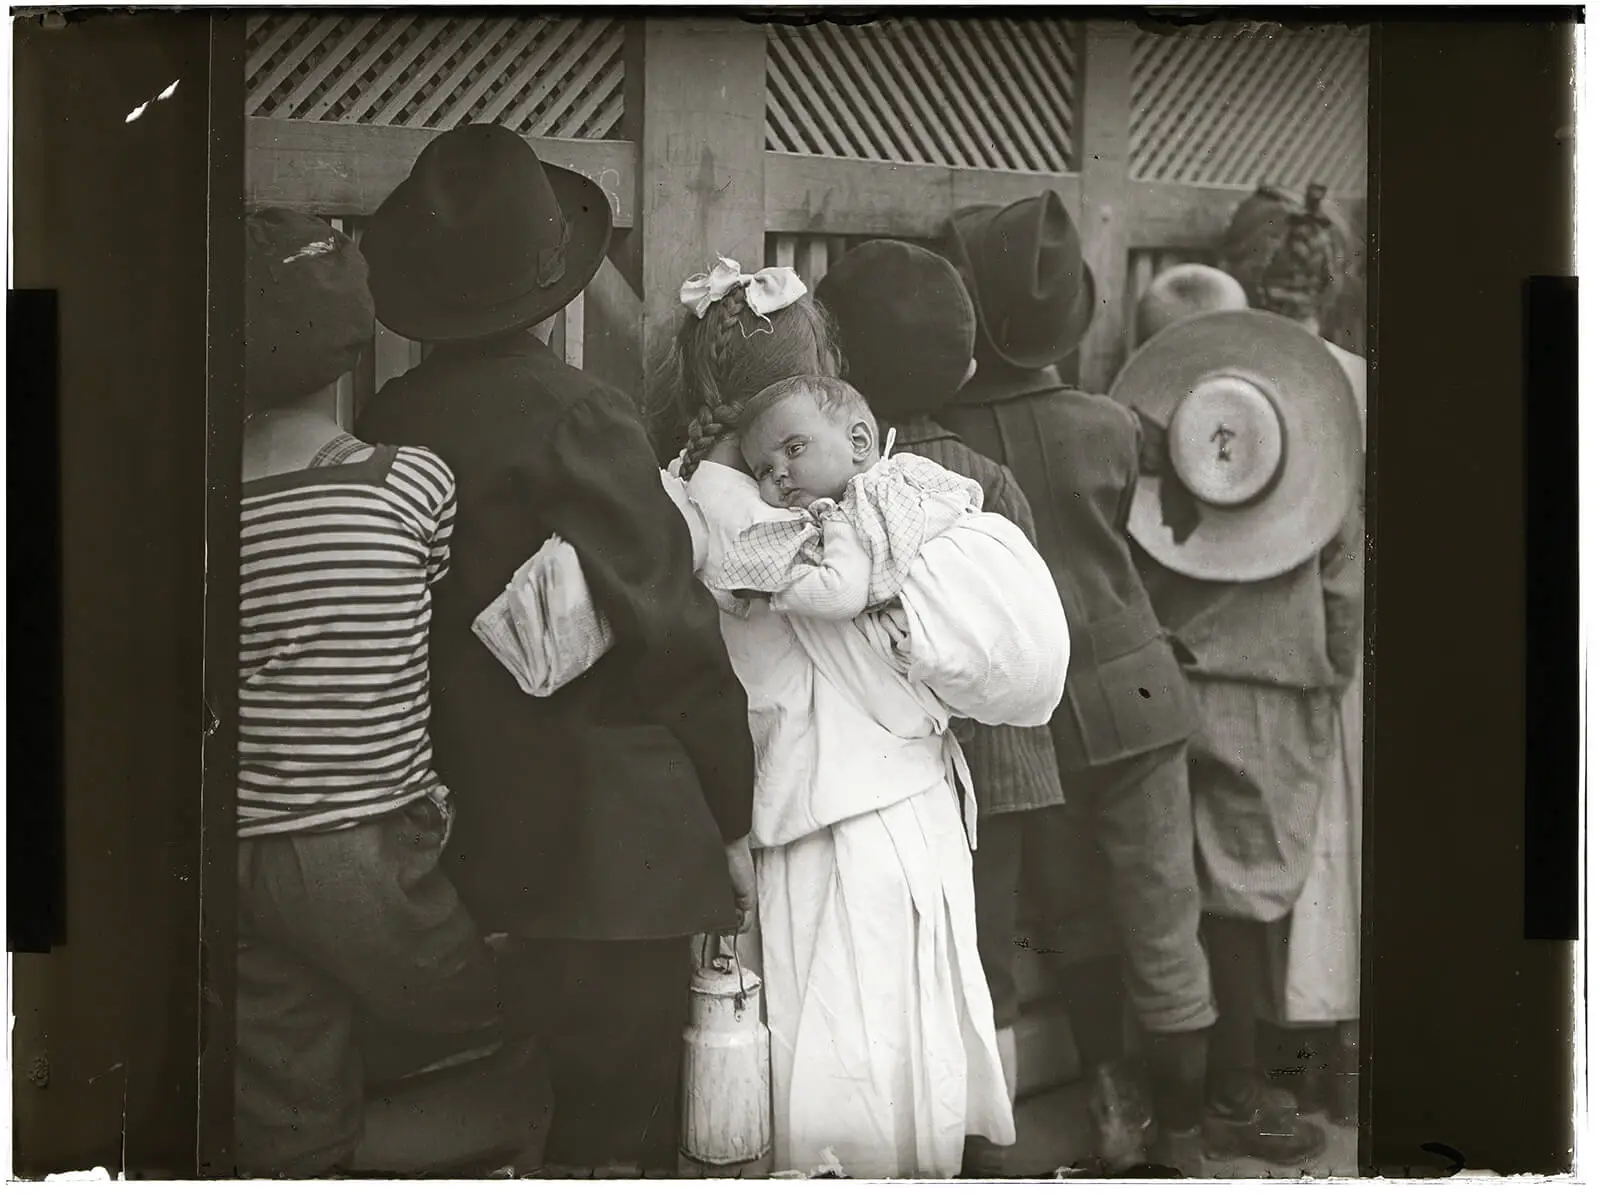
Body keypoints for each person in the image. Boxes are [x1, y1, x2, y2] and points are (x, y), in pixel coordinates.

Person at [352, 125, 758, 1174]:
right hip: (617, 850)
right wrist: (731, 811)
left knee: (503, 1124)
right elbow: (669, 626)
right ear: (553, 289)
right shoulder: (584, 417)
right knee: (619, 1140)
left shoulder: (388, 420)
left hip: (471, 840)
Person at [937, 191, 1325, 1171]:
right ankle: (1185, 1134)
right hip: (1139, 695)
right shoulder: (1108, 425)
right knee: (1163, 915)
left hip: (1034, 711)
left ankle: (1114, 1111)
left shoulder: (938, 439)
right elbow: (1187, 506)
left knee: (1070, 921)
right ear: (1074, 313)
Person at [660, 262, 1023, 1178]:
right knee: (884, 1075)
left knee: (817, 1077)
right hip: (878, 819)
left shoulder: (692, 498)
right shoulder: (853, 504)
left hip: (798, 812)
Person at [235, 208, 548, 1178]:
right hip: (365, 850)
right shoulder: (408, 484)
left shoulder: (190, 507)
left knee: (287, 1081)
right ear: (348, 346)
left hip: (235, 847)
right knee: (501, 1019)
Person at [815, 241, 1067, 1173]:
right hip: (996, 776)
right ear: (965, 367)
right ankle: (985, 1152)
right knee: (981, 966)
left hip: (897, 773)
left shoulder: (831, 481)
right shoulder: (983, 476)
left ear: (828, 362)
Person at [1121, 194, 1363, 1163]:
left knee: (1170, 884)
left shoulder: (1145, 426)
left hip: (1171, 674)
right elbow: (1342, 577)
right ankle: (1242, 1093)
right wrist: (1330, 667)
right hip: (1275, 682)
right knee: (1253, 896)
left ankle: (1173, 1092)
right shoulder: (1309, 420)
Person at [710, 374, 985, 619]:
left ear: (858, 442)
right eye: (764, 471)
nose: (778, 474)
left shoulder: (855, 511)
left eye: (794, 449)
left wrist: (769, 590)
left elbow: (840, 595)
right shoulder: (909, 471)